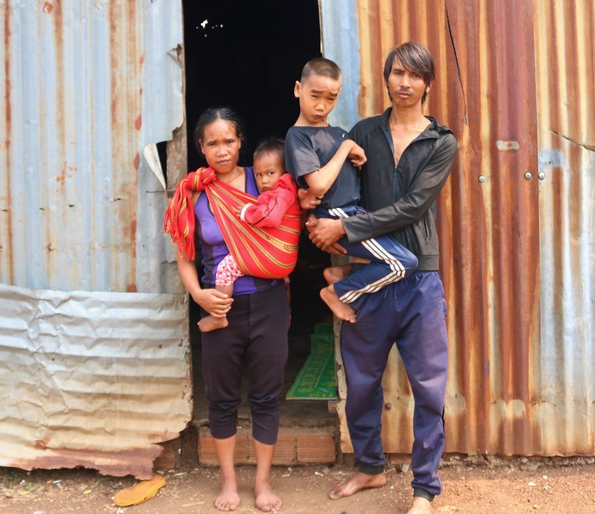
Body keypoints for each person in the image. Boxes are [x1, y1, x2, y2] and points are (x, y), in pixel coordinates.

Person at [305, 43, 458, 514]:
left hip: (420, 282)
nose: (405, 83)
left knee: (429, 389)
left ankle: (424, 490)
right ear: (386, 78)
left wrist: (346, 227)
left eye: (415, 75)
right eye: (397, 73)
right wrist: (318, 218)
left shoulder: (441, 142)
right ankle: (369, 467)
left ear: (428, 83)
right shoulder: (363, 133)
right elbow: (332, 188)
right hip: (370, 277)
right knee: (363, 382)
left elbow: (414, 206)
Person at [164, 108, 289, 512]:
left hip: (268, 299)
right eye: (213, 143)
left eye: (229, 141)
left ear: (241, 143)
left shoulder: (263, 180)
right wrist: (199, 296)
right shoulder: (194, 193)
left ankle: (264, 483)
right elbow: (184, 255)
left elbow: (289, 223)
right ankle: (229, 482)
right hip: (219, 305)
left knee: (267, 397)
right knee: (221, 399)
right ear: (200, 147)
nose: (222, 150)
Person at [285, 57, 418, 324]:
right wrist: (346, 149)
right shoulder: (298, 136)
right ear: (298, 89)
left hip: (354, 212)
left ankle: (341, 274)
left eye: (331, 98)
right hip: (335, 215)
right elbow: (319, 184)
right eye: (315, 96)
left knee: (392, 258)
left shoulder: (338, 133)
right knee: (402, 263)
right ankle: (337, 292)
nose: (322, 106)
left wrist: (353, 156)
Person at [198, 136, 301, 333]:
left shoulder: (284, 190)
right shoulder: (284, 190)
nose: (264, 181)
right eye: (259, 175)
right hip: (281, 265)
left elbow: (270, 217)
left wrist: (247, 212)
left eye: (271, 173)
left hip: (274, 258)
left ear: (286, 171)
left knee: (225, 269)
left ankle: (218, 316)